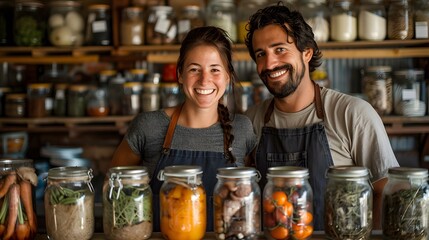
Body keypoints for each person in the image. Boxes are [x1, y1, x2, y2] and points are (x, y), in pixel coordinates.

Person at [244, 2, 399, 230]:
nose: (269, 63)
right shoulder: (250, 121)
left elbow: (385, 192)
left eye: (280, 50)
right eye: (261, 54)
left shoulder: (352, 113)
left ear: (306, 52)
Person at [109, 26, 257, 231]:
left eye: (215, 69)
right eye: (194, 69)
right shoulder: (148, 126)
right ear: (180, 75)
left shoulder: (242, 129)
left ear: (228, 76)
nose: (204, 80)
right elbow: (114, 190)